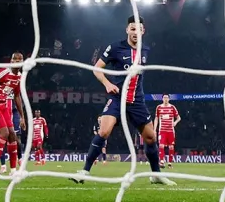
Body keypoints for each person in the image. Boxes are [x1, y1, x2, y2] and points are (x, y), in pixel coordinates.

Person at [71, 15, 174, 185]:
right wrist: (107, 83)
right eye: (132, 29)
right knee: (103, 132)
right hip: (118, 97)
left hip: (137, 101)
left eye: (138, 29)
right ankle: (84, 171)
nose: (135, 32)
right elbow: (97, 68)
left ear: (143, 31)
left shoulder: (145, 50)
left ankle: (156, 175)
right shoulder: (115, 48)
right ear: (127, 30)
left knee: (151, 138)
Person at [155, 94, 181, 168]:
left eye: (167, 98)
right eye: (164, 98)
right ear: (162, 99)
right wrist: (154, 129)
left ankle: (170, 163)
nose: (165, 99)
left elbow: (179, 118)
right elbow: (156, 118)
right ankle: (162, 161)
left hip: (170, 131)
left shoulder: (172, 107)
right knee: (161, 145)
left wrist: (175, 122)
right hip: (162, 130)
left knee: (171, 147)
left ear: (169, 99)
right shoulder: (159, 107)